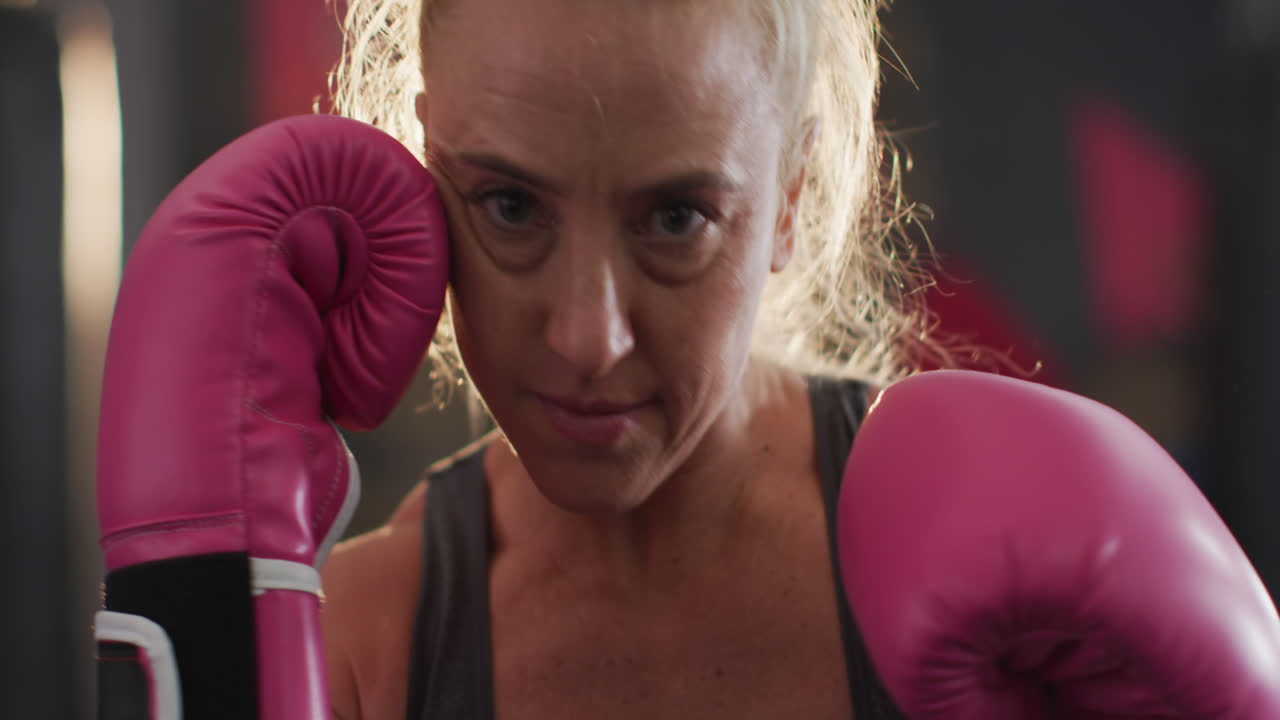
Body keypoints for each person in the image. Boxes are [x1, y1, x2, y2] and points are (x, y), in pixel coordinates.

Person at [319, 0, 932, 718]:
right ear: (423, 168)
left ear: (790, 195)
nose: (589, 341)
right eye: (510, 206)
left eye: (677, 218)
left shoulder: (948, 541)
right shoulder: (363, 649)